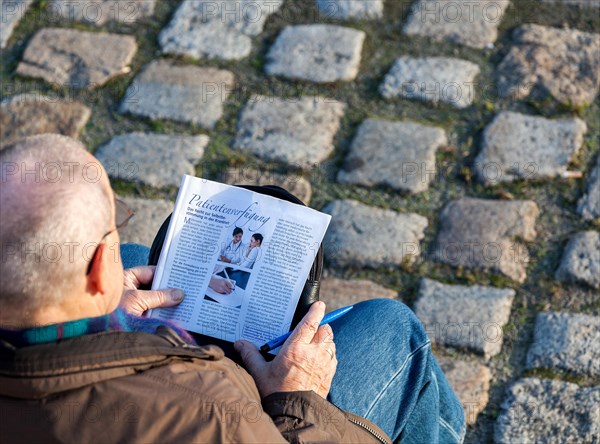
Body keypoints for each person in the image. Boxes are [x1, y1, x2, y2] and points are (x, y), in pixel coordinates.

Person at [0, 134, 465, 443]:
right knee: (392, 327)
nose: (119, 231)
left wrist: (100, 312)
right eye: (113, 225)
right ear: (99, 268)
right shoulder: (211, 415)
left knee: (141, 258)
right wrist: (298, 400)